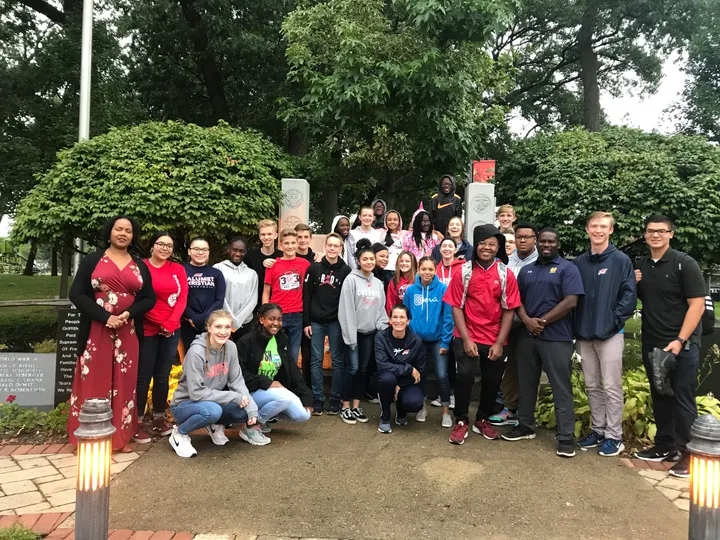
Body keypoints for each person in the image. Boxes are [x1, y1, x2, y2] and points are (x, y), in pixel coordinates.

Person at [68, 216, 156, 452]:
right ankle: (87, 439)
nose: (123, 234)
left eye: (128, 231)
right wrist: (105, 316)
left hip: (127, 331)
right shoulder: (92, 260)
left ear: (132, 236)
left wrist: (129, 313)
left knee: (125, 383)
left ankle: (120, 438)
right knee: (94, 380)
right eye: (119, 229)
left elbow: (149, 298)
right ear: (110, 232)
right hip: (97, 329)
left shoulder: (140, 265)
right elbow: (77, 294)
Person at [633, 215, 706, 478]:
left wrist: (680, 340)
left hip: (681, 344)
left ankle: (690, 454)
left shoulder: (684, 263)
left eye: (661, 231)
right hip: (652, 343)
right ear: (645, 235)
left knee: (683, 400)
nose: (656, 235)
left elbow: (697, 305)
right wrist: (634, 281)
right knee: (660, 396)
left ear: (671, 234)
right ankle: (664, 446)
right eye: (651, 231)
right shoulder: (641, 265)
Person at [502, 228, 584, 459]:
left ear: (557, 243)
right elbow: (517, 300)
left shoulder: (569, 269)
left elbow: (571, 301)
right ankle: (526, 426)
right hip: (528, 336)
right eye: (543, 241)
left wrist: (543, 322)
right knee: (526, 383)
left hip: (556, 337)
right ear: (537, 243)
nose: (546, 245)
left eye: (551, 241)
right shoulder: (527, 270)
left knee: (561, 387)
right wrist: (527, 321)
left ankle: (566, 436)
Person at [444, 225, 521, 445]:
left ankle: (482, 418)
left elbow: (509, 310)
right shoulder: (464, 271)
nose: (487, 248)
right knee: (466, 376)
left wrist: (499, 343)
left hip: (496, 336)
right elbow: (456, 307)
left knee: (492, 380)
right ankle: (461, 419)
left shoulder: (506, 274)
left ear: (498, 248)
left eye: (492, 244)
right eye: (482, 243)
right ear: (475, 245)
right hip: (466, 333)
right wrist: (466, 339)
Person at [573, 212, 636, 457]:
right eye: (594, 226)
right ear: (587, 230)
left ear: (611, 230)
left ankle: (614, 436)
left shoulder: (621, 261)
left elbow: (629, 296)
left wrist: (613, 322)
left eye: (603, 226)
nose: (598, 230)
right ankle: (598, 430)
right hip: (584, 335)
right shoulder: (579, 263)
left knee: (611, 386)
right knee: (591, 385)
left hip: (610, 334)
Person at [168, 310, 258, 457]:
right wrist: (233, 396)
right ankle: (180, 433)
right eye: (218, 327)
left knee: (243, 410)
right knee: (212, 411)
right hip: (184, 405)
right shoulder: (196, 352)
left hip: (211, 401)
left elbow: (237, 381)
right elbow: (196, 393)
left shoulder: (231, 347)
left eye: (227, 327)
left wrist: (251, 408)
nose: (223, 332)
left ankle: (213, 425)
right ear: (209, 328)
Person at [136, 232, 188, 443]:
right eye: (161, 244)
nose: (165, 248)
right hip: (148, 329)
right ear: (152, 246)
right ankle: (136, 421)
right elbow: (137, 299)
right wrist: (160, 323)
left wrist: (170, 323)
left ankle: (159, 418)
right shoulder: (141, 268)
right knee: (142, 376)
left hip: (171, 329)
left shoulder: (177, 269)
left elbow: (182, 297)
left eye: (169, 245)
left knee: (162, 375)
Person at [237, 303, 313, 441]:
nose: (276, 323)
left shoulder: (281, 340)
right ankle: (251, 426)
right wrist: (268, 382)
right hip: (250, 391)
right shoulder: (246, 341)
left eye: (279, 319)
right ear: (261, 320)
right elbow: (240, 374)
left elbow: (293, 370)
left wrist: (307, 396)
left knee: (303, 415)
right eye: (271, 319)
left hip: (272, 392)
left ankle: (265, 417)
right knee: (284, 397)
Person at [489, 223, 539, 427]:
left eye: (527, 237)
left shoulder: (541, 261)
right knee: (510, 368)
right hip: (510, 322)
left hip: (533, 323)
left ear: (534, 238)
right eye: (519, 237)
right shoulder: (507, 263)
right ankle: (509, 408)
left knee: (529, 369)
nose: (523, 240)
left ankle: (527, 412)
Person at [338, 239, 389, 424]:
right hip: (354, 333)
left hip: (370, 334)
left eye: (371, 259)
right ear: (359, 261)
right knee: (351, 368)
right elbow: (346, 309)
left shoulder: (377, 283)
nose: (368, 262)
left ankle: (356, 406)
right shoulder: (351, 280)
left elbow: (381, 309)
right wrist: (350, 336)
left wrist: (383, 326)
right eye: (365, 259)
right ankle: (345, 406)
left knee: (363, 370)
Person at [303, 233, 351, 416]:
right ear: (325, 247)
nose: (332, 249)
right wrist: (306, 321)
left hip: (335, 321)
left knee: (338, 361)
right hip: (315, 321)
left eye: (336, 246)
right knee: (316, 360)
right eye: (329, 245)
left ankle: (335, 399)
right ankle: (318, 398)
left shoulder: (345, 271)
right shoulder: (313, 269)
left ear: (341, 249)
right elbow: (306, 297)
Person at [403, 257, 454, 427]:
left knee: (441, 375)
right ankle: (422, 408)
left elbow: (448, 317)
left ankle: (446, 412)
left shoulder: (443, 289)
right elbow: (406, 316)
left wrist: (446, 342)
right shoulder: (411, 291)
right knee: (421, 375)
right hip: (418, 341)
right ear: (418, 270)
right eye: (424, 269)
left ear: (435, 270)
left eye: (430, 269)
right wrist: (409, 339)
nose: (427, 272)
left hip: (438, 339)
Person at [375, 305, 426, 433]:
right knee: (388, 379)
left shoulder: (416, 341)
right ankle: (385, 416)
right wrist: (408, 368)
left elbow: (420, 370)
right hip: (385, 378)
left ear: (408, 321)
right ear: (390, 320)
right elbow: (382, 364)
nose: (398, 321)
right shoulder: (381, 337)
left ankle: (401, 409)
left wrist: (400, 385)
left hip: (406, 381)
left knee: (415, 402)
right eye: (395, 317)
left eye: (402, 317)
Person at [262, 229, 310, 364]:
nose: (290, 246)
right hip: (276, 314)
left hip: (297, 315)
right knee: (273, 353)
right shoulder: (273, 265)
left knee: (293, 355)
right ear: (281, 245)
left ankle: (290, 383)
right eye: (286, 243)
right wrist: (265, 313)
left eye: (293, 243)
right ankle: (274, 383)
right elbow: (266, 291)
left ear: (297, 244)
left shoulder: (305, 264)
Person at [182, 237, 226, 352]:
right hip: (186, 323)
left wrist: (204, 318)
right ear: (189, 251)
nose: (200, 252)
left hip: (210, 324)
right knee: (190, 357)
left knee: (210, 359)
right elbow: (178, 297)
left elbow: (219, 300)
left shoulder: (216, 274)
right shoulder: (181, 271)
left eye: (204, 249)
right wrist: (192, 317)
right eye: (196, 249)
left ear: (208, 252)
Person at [214, 237, 258, 342]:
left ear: (246, 252)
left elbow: (253, 300)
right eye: (234, 250)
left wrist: (237, 322)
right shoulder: (218, 268)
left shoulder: (251, 273)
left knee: (242, 355)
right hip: (222, 322)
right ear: (228, 249)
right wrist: (230, 320)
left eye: (241, 251)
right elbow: (219, 297)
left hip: (244, 324)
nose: (237, 254)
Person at [245, 219, 281, 313]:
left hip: (278, 305)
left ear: (276, 235)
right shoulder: (250, 256)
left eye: (269, 234)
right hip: (253, 306)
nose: (266, 237)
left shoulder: (282, 256)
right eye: (263, 234)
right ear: (259, 236)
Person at [430, 174, 463, 239]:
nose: (446, 186)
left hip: (452, 231)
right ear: (440, 185)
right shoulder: (434, 198)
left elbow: (458, 218)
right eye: (444, 184)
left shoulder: (457, 199)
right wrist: (432, 231)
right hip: (437, 232)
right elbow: (430, 217)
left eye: (449, 184)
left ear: (452, 185)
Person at [386, 251, 417, 316]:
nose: (404, 263)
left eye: (407, 261)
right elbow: (390, 303)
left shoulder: (418, 280)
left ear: (413, 263)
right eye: (401, 261)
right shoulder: (394, 281)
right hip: (399, 319)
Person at [383, 210, 405, 281]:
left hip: (400, 269)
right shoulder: (380, 233)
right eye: (389, 220)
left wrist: (436, 233)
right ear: (385, 221)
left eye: (395, 220)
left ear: (399, 221)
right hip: (385, 270)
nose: (392, 222)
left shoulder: (404, 234)